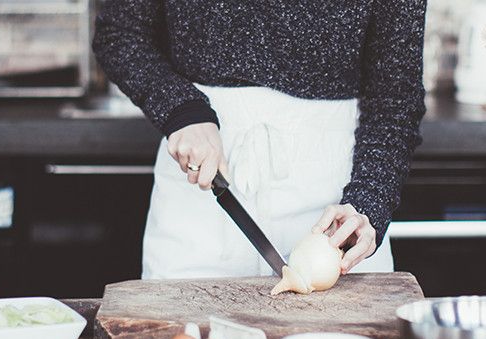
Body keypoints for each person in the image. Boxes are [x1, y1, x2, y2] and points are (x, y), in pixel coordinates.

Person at [93, 0, 426, 279]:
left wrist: (368, 203)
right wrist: (182, 111)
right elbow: (120, 33)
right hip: (202, 191)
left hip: (335, 210)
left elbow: (395, 96)